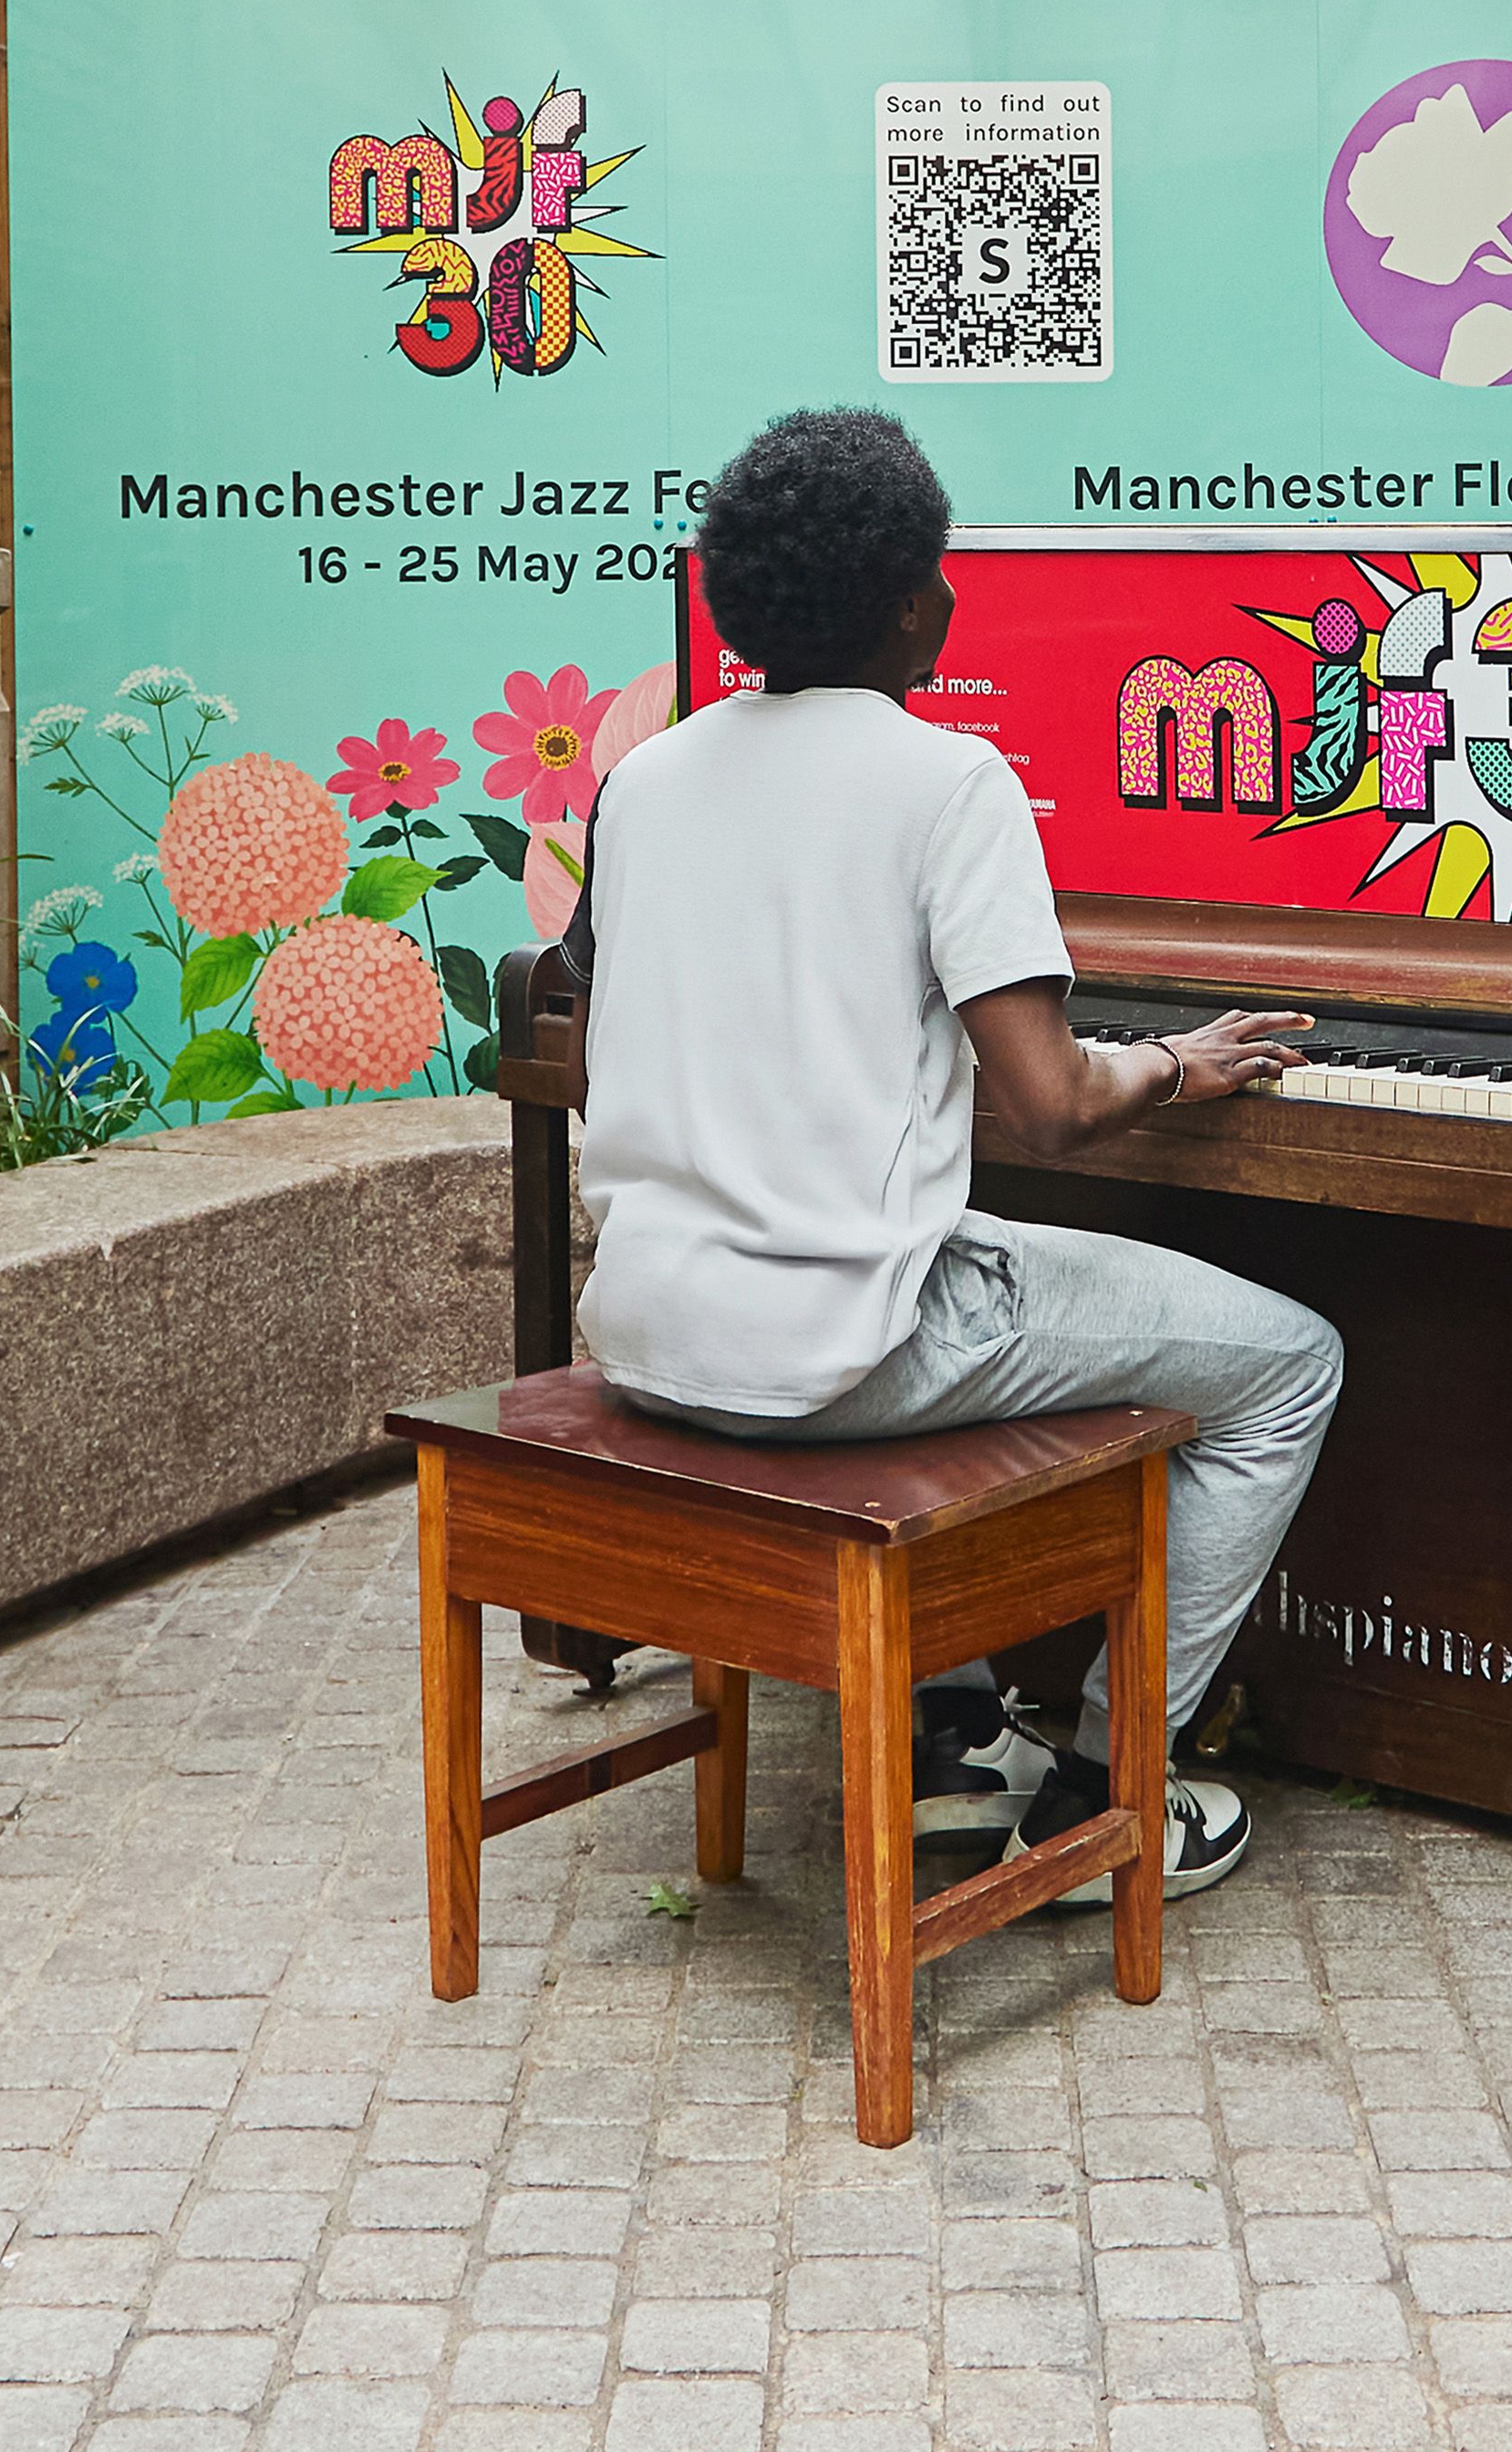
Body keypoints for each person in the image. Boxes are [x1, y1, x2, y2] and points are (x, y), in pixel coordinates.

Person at [564, 407, 1346, 1900]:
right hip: (839, 1354)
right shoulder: (950, 781)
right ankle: (1107, 1790)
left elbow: (630, 1022)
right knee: (1290, 1358)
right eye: (941, 570)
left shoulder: (642, 783)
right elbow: (1048, 1105)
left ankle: (950, 1725)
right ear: (913, 601)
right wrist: (1178, 1062)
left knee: (929, 1261)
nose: (952, 595)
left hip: (654, 1330)